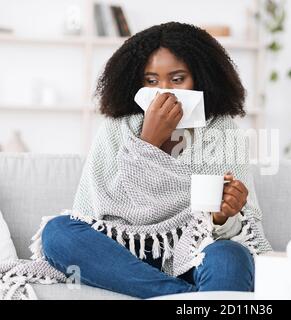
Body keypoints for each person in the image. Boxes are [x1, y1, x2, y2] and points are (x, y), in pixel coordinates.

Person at [41, 22, 271, 299]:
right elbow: (95, 213)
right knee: (57, 233)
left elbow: (238, 231)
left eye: (177, 79)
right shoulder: (118, 128)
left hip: (193, 252)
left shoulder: (223, 131)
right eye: (151, 81)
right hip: (124, 255)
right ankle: (181, 296)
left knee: (231, 255)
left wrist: (222, 218)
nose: (164, 92)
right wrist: (147, 142)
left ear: (200, 78)